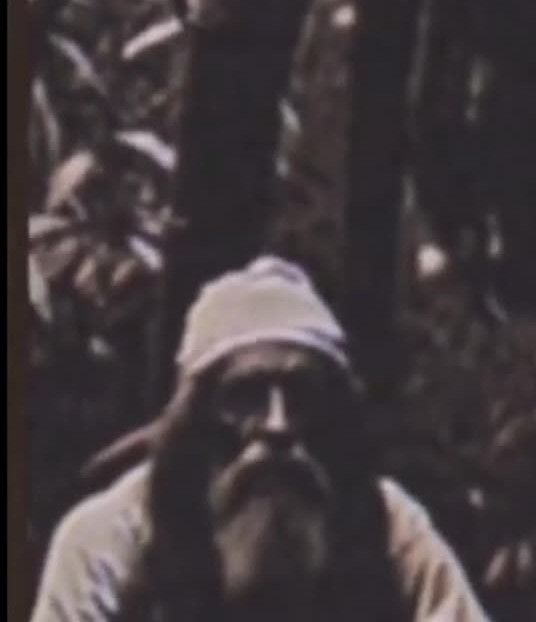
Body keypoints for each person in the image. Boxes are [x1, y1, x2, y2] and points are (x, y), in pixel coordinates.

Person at [30, 256, 491, 622]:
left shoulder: (385, 522)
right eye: (246, 398)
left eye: (301, 396)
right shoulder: (108, 538)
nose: (277, 425)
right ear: (198, 423)